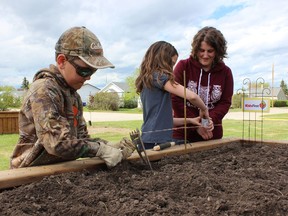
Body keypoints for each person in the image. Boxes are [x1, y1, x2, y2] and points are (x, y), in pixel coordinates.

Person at [10, 26, 135, 169]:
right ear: (62, 61)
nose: (88, 77)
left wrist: (108, 145)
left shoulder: (73, 96)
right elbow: (57, 143)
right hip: (27, 174)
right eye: (84, 70)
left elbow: (80, 140)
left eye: (92, 71)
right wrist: (100, 149)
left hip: (58, 171)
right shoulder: (44, 90)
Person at [135, 41, 210, 149]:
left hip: (148, 140)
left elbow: (165, 120)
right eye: (172, 63)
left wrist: (190, 120)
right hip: (156, 142)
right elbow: (192, 97)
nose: (172, 68)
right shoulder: (159, 77)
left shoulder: (148, 81)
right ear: (163, 61)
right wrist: (204, 109)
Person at [172, 26, 234, 142]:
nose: (205, 55)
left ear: (218, 51)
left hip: (211, 133)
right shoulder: (183, 66)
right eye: (201, 50)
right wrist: (196, 125)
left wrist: (207, 122)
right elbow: (175, 98)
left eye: (210, 51)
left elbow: (225, 102)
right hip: (183, 135)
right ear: (196, 49)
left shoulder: (226, 72)